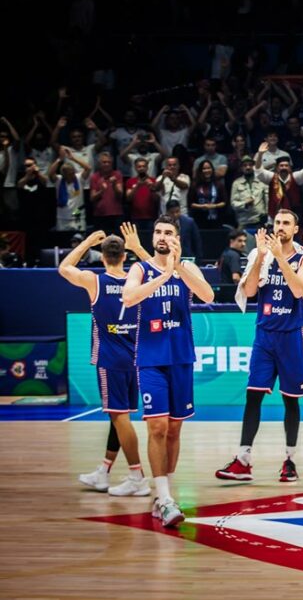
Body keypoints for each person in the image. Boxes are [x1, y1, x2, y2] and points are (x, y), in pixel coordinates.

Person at [122, 213, 214, 527]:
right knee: (157, 427)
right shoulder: (140, 268)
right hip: (150, 358)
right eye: (158, 232)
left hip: (181, 357)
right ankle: (164, 498)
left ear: (178, 239)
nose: (163, 236)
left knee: (174, 429)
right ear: (153, 238)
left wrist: (178, 269)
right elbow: (129, 296)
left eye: (169, 233)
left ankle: (165, 492)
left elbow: (208, 295)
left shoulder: (186, 269)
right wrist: (163, 276)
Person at [216, 210, 303, 483]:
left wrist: (279, 257)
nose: (280, 227)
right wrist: (259, 256)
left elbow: (298, 290)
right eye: (277, 223)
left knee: (290, 400)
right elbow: (248, 292)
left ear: (295, 228)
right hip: (264, 336)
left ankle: (290, 460)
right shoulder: (262, 254)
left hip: (291, 335)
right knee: (253, 396)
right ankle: (243, 460)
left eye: (285, 223)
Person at [61, 226, 149, 497]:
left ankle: (137, 476)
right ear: (125, 257)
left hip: (109, 360)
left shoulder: (94, 281)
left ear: (102, 257)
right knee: (117, 417)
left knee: (120, 417)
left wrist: (87, 241)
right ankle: (104, 471)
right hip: (136, 358)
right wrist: (139, 249)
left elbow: (64, 267)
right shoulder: (140, 282)